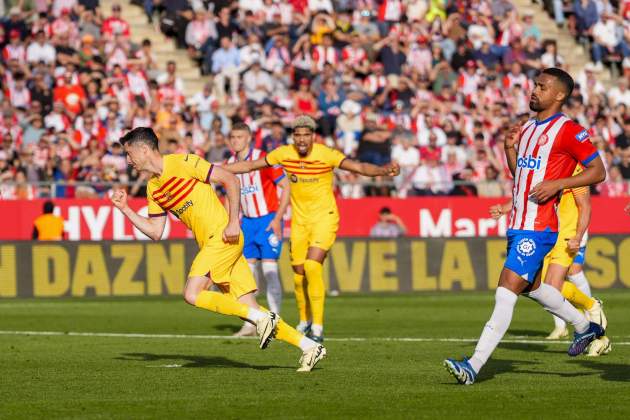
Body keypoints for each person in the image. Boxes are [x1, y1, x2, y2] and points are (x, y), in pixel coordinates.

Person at [110, 127, 325, 372]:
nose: (128, 161)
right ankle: (309, 346)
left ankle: (264, 320)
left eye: (129, 153)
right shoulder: (153, 188)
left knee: (192, 294)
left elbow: (230, 179)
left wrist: (234, 220)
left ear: (144, 149)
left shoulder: (183, 162)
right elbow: (156, 232)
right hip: (217, 244)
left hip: (222, 236)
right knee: (249, 308)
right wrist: (125, 209)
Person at [444, 68, 607, 385]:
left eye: (542, 87)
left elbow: (598, 171)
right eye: (534, 85)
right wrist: (509, 149)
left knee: (506, 290)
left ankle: (473, 366)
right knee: (534, 287)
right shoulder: (530, 128)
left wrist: (559, 183)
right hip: (518, 223)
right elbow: (521, 176)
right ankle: (586, 327)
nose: (534, 90)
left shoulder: (569, 130)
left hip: (539, 226)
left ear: (559, 95)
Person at [224, 115, 400, 343]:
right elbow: (248, 165)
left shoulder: (326, 154)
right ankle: (304, 320)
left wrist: (382, 171)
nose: (302, 139)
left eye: (306, 135)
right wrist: (212, 169)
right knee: (298, 277)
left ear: (313, 136)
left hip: (324, 218)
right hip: (299, 222)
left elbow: (357, 166)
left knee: (312, 266)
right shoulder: (284, 153)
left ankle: (317, 327)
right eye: (298, 135)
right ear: (293, 137)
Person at [490, 165, 610, 356]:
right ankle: (596, 330)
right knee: (542, 288)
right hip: (545, 233)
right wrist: (505, 208)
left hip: (567, 235)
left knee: (554, 285)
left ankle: (590, 308)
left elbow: (585, 206)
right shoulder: (549, 165)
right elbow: (528, 193)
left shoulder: (576, 169)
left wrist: (578, 237)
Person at [225, 122, 291, 337]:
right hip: (247, 223)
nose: (235, 140)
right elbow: (228, 197)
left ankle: (275, 320)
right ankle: (251, 323)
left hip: (268, 220)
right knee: (247, 275)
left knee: (270, 272)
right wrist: (230, 222)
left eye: (239, 137)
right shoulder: (229, 163)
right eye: (232, 137)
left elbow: (286, 186)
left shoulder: (263, 158)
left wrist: (278, 219)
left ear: (248, 138)